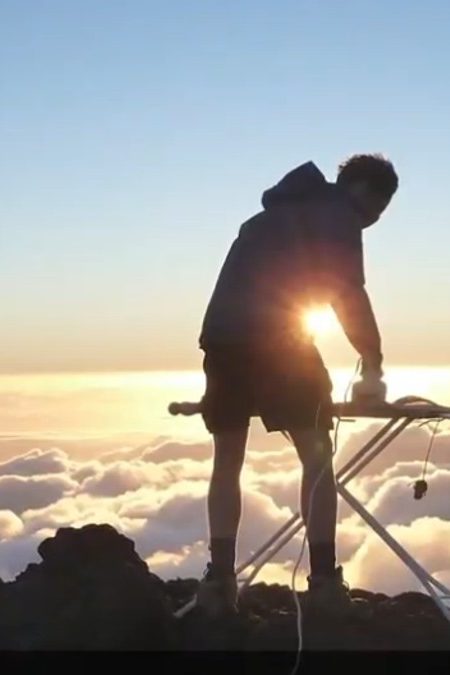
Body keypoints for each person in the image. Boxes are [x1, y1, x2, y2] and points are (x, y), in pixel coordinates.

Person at [192, 153, 398, 616]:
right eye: (376, 210)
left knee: (227, 459)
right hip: (280, 341)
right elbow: (347, 292)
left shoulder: (266, 217)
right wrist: (372, 358)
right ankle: (323, 581)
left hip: (221, 341)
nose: (371, 221)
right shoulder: (339, 216)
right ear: (363, 190)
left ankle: (219, 581)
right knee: (317, 455)